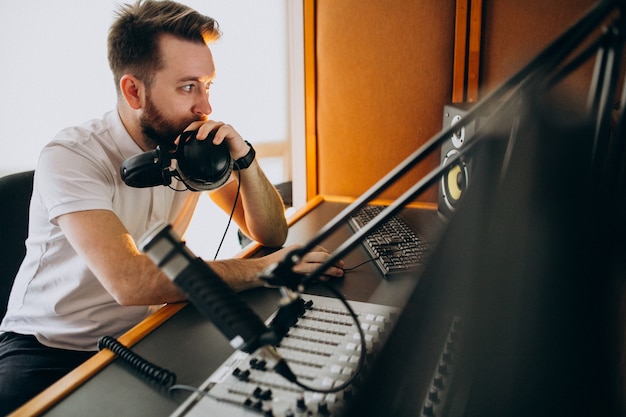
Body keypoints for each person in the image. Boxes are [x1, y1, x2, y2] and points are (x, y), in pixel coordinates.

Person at [0, 0, 344, 414]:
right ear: (133, 90)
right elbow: (131, 282)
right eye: (188, 87)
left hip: (144, 333)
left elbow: (271, 233)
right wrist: (263, 271)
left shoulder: (189, 148)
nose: (206, 106)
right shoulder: (71, 156)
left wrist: (245, 159)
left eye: (208, 85)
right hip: (47, 349)